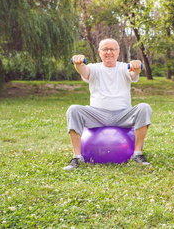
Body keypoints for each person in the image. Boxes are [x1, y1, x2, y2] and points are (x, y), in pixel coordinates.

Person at [64, 38, 152, 170]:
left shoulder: (124, 67)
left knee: (144, 107)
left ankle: (137, 153)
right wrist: (78, 63)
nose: (109, 52)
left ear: (118, 52)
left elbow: (133, 73)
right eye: (105, 49)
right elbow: (83, 71)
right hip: (97, 115)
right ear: (100, 52)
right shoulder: (93, 68)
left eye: (112, 49)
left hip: (122, 115)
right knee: (73, 110)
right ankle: (77, 157)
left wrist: (137, 66)